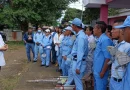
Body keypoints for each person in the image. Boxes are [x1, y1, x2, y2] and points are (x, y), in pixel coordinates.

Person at [109, 19, 130, 90]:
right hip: (114, 78)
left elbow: (125, 63)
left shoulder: (127, 45)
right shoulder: (116, 43)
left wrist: (117, 53)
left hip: (121, 82)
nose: (111, 31)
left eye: (114, 29)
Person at [93, 21, 113, 90]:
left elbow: (108, 58)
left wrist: (103, 72)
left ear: (99, 30)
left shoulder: (105, 40)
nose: (93, 29)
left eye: (95, 28)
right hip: (97, 71)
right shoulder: (100, 39)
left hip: (101, 72)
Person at [71, 18, 88, 90]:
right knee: (78, 84)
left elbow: (80, 53)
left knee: (79, 84)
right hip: (78, 61)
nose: (71, 26)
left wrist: (78, 67)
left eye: (72, 25)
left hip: (78, 62)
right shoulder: (80, 35)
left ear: (75, 26)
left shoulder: (81, 37)